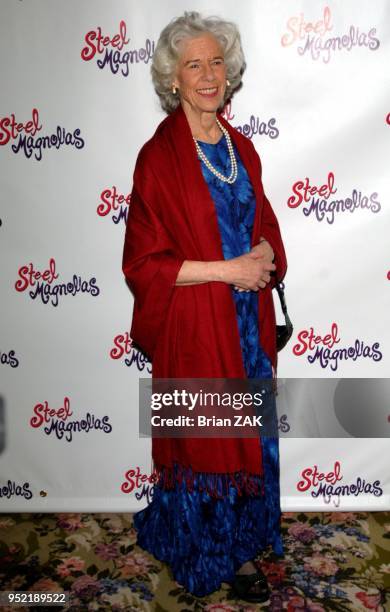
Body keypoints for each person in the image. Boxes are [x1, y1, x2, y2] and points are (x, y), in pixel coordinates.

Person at [122, 11, 287, 603]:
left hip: (247, 327)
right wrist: (229, 271)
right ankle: (207, 551)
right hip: (195, 326)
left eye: (217, 61)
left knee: (246, 443)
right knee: (205, 445)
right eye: (194, 64)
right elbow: (143, 264)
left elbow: (262, 222)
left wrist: (267, 252)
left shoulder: (243, 148)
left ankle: (242, 541)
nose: (209, 74)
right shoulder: (158, 159)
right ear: (173, 79)